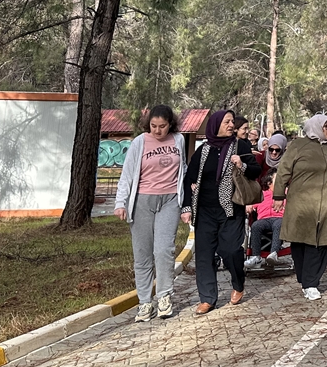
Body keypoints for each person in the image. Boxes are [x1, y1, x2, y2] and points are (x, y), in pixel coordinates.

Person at [114, 105, 188, 322]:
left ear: (170, 125)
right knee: (143, 254)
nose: (158, 131)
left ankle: (164, 296)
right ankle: (145, 302)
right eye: (154, 126)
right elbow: (127, 174)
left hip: (170, 200)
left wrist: (186, 202)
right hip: (142, 202)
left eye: (162, 126)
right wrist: (121, 202)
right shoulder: (140, 142)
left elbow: (182, 168)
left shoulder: (179, 140)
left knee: (164, 250)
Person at [183, 109, 261, 314]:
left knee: (231, 250)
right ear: (215, 124)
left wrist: (242, 164)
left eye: (232, 122)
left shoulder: (240, 146)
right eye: (226, 121)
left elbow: (256, 171)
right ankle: (207, 298)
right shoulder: (204, 150)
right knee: (204, 255)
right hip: (205, 210)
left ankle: (238, 282)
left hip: (230, 210)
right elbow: (189, 178)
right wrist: (187, 207)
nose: (230, 125)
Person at [273, 113, 327, 300]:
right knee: (300, 242)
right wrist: (278, 195)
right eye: (325, 126)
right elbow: (283, 171)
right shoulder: (297, 146)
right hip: (301, 204)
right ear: (316, 127)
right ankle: (305, 279)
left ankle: (311, 283)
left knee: (320, 244)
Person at [244, 169, 286, 269]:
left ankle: (273, 254)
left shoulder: (286, 192)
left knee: (278, 224)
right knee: (255, 225)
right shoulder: (262, 194)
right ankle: (256, 257)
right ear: (269, 182)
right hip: (264, 219)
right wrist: (249, 205)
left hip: (279, 218)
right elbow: (252, 205)